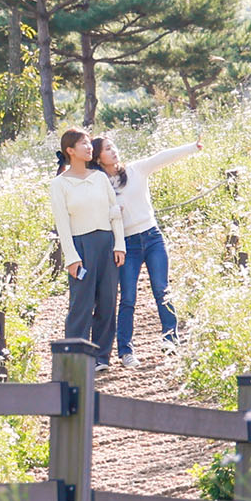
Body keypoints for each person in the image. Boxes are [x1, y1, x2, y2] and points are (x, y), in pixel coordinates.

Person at [94, 134, 197, 363]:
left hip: (152, 237)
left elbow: (161, 158)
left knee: (162, 289)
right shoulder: (99, 184)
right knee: (128, 297)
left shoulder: (135, 170)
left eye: (113, 146)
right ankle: (126, 351)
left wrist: (192, 147)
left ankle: (171, 340)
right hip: (126, 244)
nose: (114, 151)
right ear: (98, 157)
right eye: (107, 149)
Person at [48, 127, 122, 365]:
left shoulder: (100, 177)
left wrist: (119, 244)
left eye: (90, 143)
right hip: (81, 245)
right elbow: (62, 223)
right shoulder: (59, 184)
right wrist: (71, 257)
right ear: (70, 150)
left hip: (106, 243)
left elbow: (114, 213)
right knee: (81, 303)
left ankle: (101, 357)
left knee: (108, 301)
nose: (90, 147)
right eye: (84, 144)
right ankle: (76, 360)